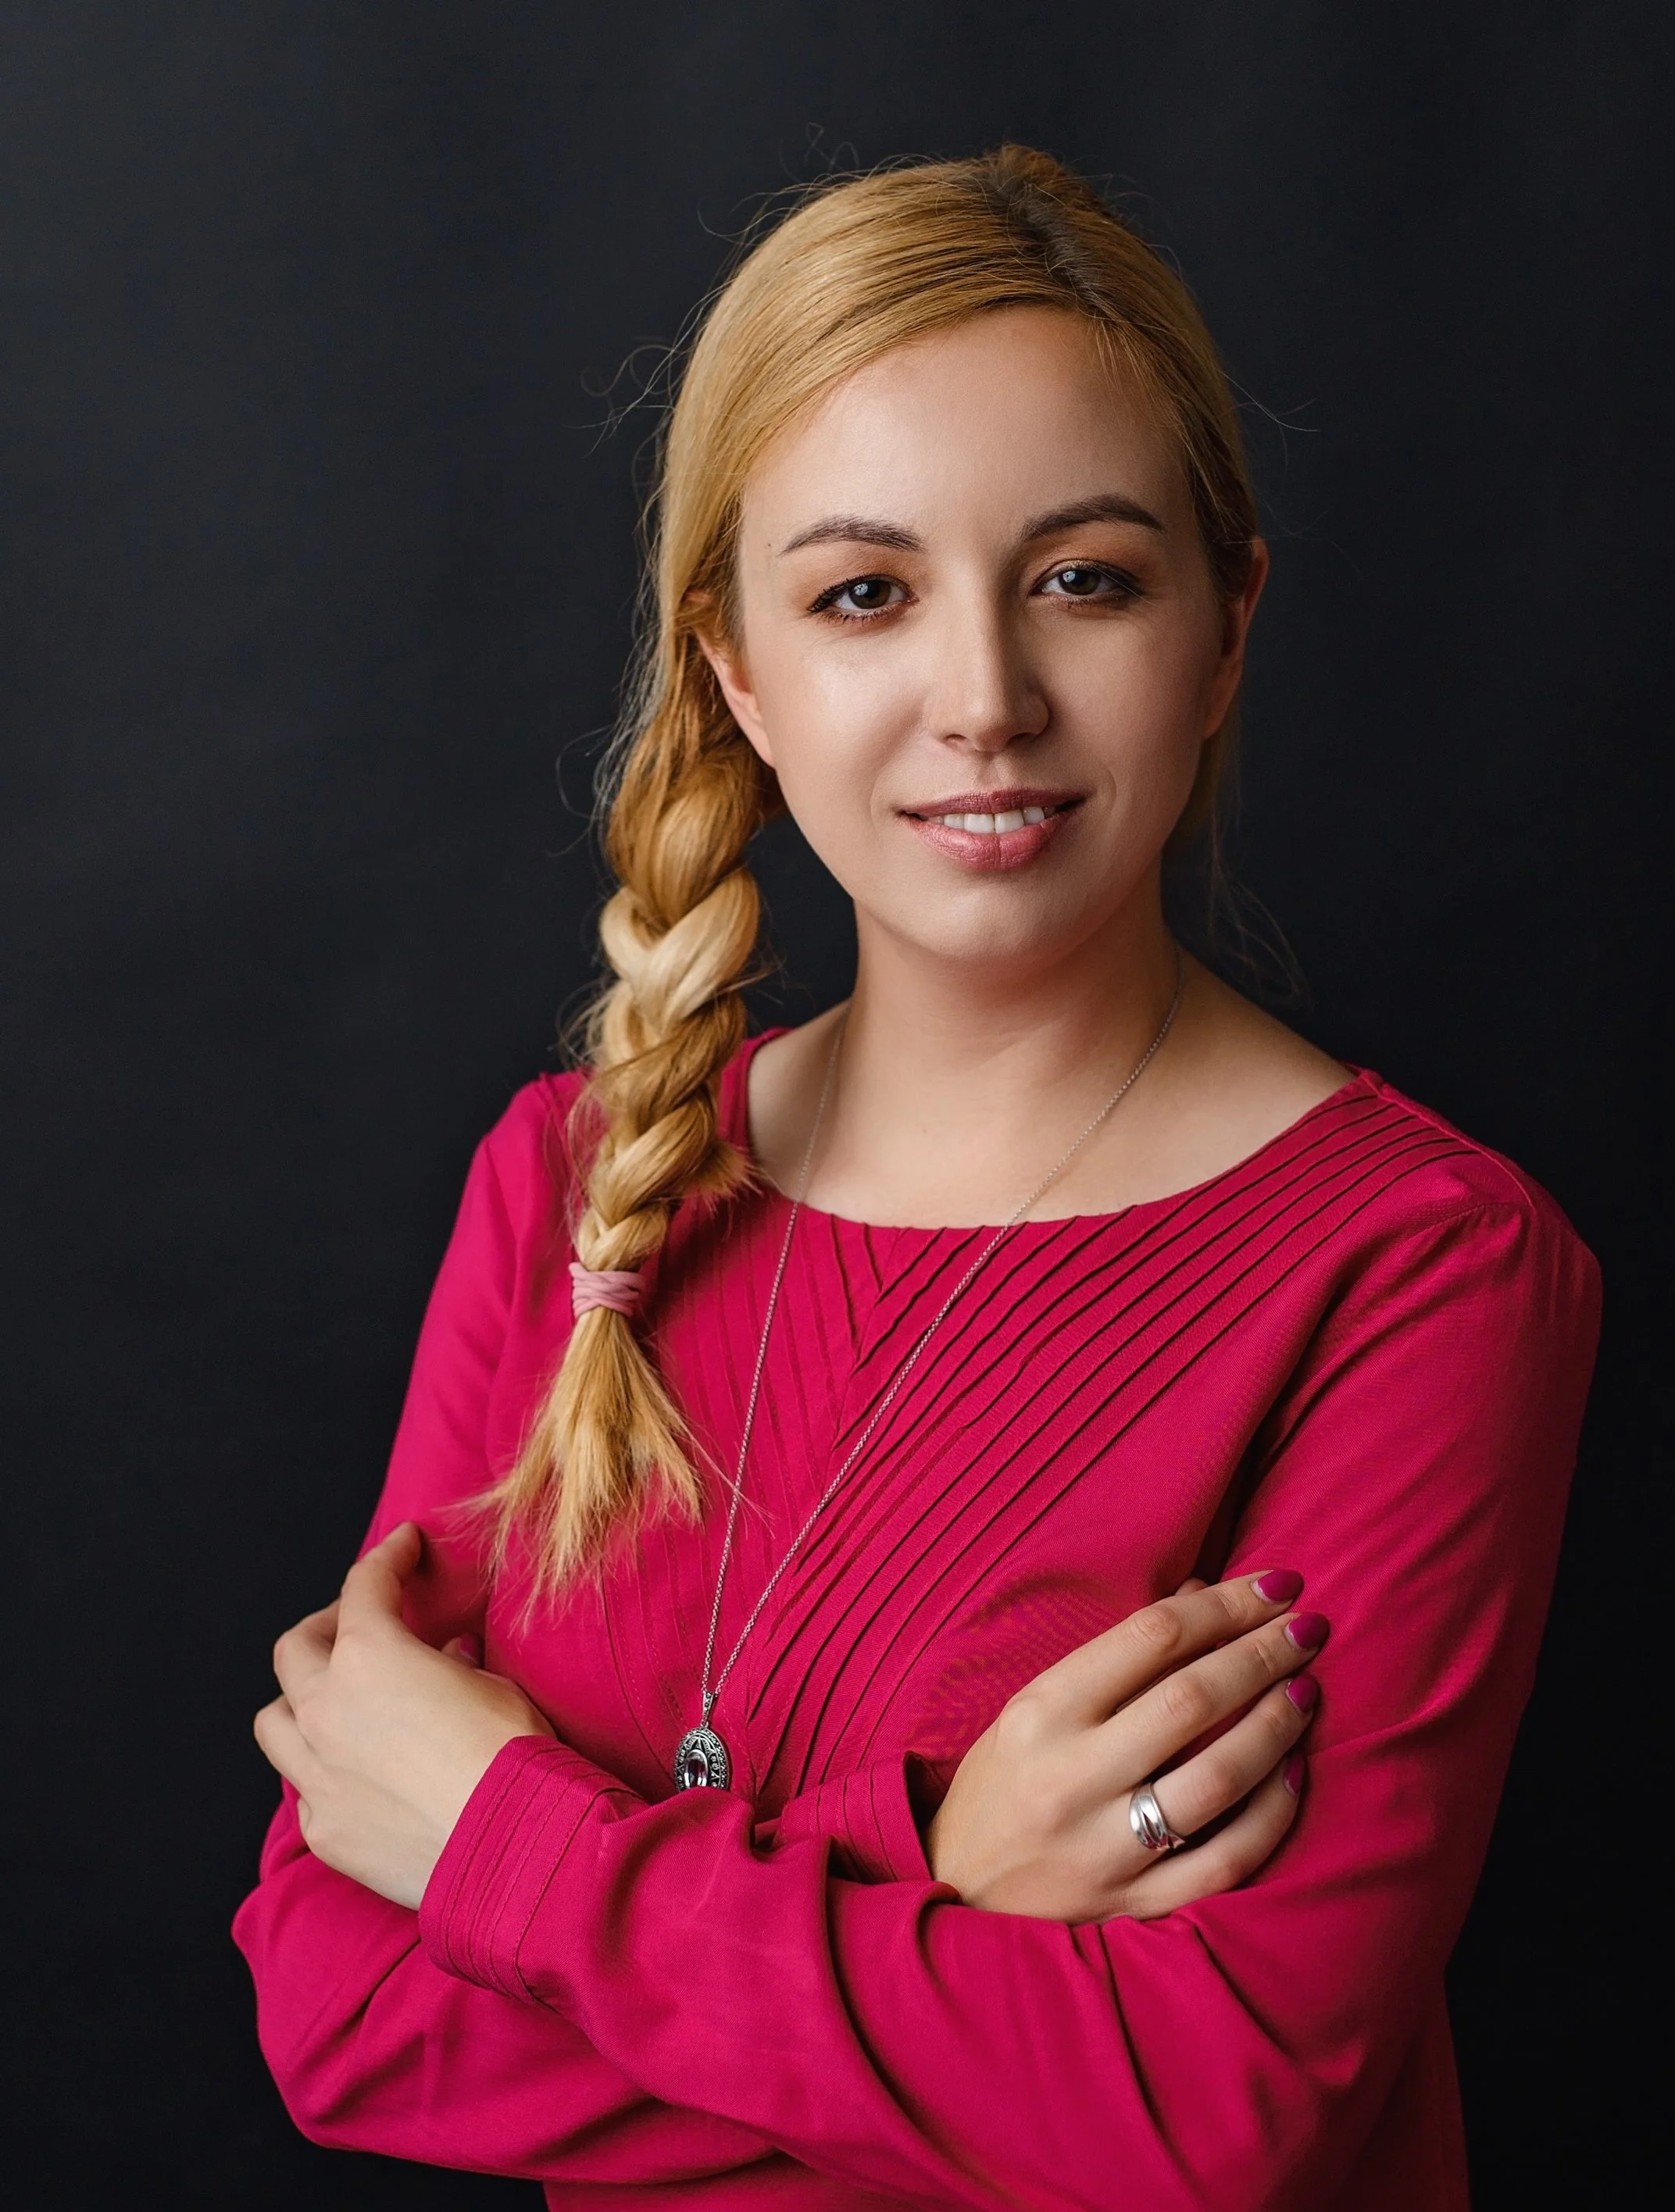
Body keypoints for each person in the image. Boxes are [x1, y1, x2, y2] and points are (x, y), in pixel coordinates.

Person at [235, 146, 1601, 2210]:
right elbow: (341, 2019)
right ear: (737, 673)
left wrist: (505, 1850)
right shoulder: (572, 1187)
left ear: (1223, 633)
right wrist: (934, 1876)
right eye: (864, 592)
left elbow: (1210, 2115)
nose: (982, 698)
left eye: (1083, 577)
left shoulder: (1419, 1269)